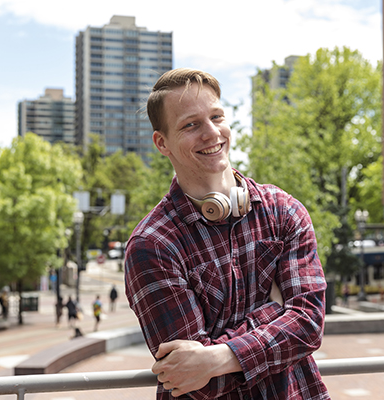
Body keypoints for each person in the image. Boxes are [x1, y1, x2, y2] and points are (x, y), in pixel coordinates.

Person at [124, 68, 330, 399]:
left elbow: (308, 325)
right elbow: (198, 383)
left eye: (216, 117)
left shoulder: (283, 210)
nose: (211, 133)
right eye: (191, 125)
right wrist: (278, 311)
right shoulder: (152, 245)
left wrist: (219, 356)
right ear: (162, 143)